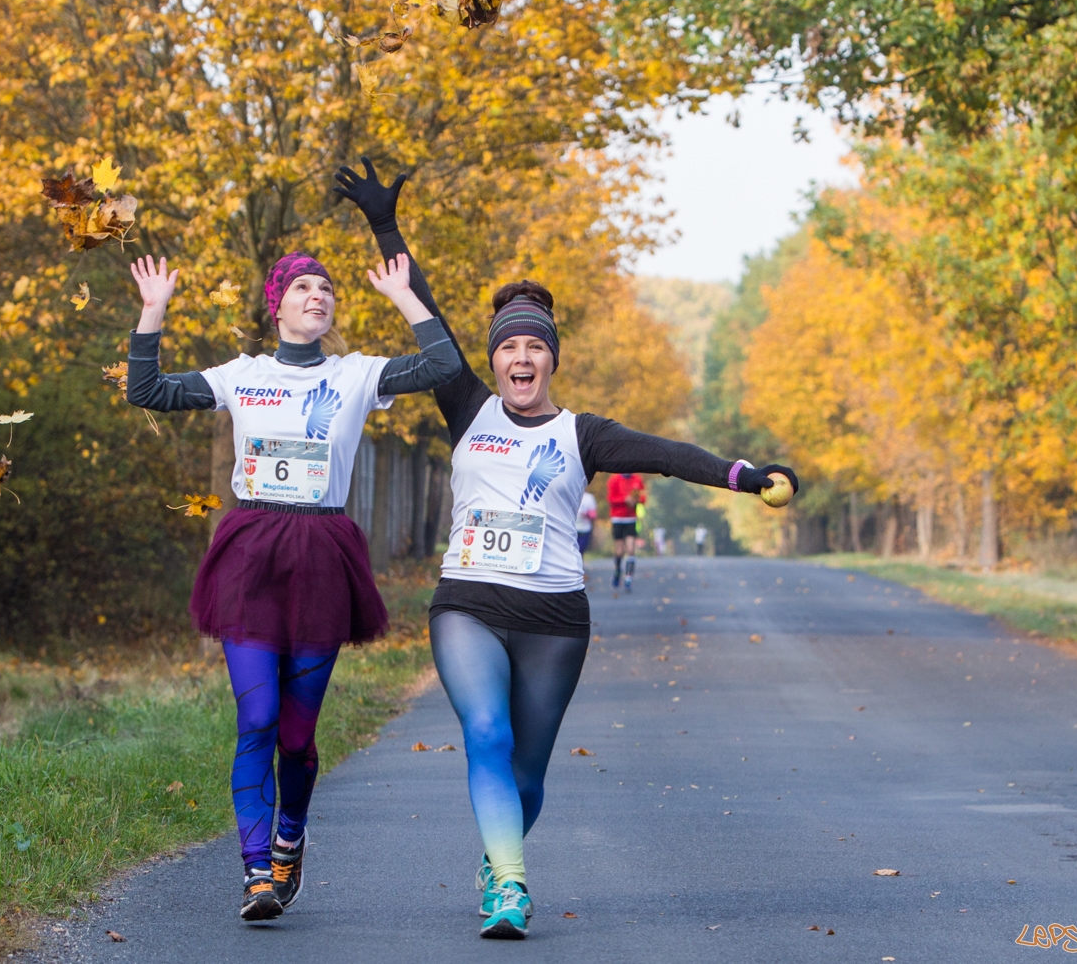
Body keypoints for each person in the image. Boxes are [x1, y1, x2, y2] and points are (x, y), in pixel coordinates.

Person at [336, 158, 799, 939]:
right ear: (493, 359)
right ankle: (511, 886)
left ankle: (499, 852)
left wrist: (749, 476)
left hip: (555, 616)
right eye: (509, 347)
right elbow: (431, 313)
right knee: (485, 733)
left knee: (528, 772)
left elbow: (667, 454)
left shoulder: (581, 432)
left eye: (535, 348)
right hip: (469, 603)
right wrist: (384, 223)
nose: (522, 358)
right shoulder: (466, 404)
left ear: (552, 358)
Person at [125, 249, 461, 923]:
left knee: (297, 737)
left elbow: (446, 366)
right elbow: (148, 390)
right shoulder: (243, 374)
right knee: (256, 719)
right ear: (276, 304)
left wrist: (405, 296)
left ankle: (290, 835)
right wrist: (153, 308)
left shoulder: (358, 373)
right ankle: (256, 875)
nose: (319, 294)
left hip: (320, 556)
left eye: (327, 287)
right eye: (303, 286)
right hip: (250, 553)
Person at [608, 471, 645, 590]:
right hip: (618, 518)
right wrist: (625, 500)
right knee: (619, 551)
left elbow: (643, 497)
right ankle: (617, 571)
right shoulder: (614, 480)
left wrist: (637, 500)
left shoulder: (637, 479)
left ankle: (628, 578)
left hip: (631, 518)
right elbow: (611, 499)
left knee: (630, 549)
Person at [574, 490, 598, 556]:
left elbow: (594, 514)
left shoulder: (589, 498)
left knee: (581, 550)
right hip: (572, 528)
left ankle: (579, 564)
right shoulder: (571, 494)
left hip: (585, 529)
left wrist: (587, 514)